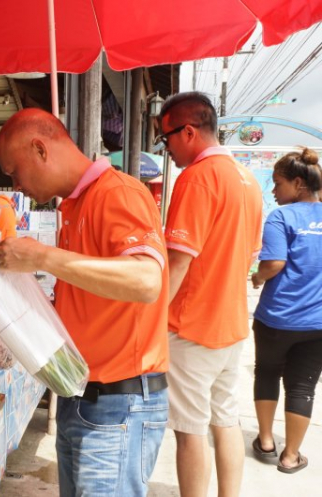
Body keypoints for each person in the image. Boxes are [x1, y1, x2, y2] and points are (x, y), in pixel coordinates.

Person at [0, 108, 170, 496]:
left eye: (14, 171)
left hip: (119, 404)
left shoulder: (119, 193)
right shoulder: (75, 207)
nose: (14, 184)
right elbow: (77, 301)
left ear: (40, 149)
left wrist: (43, 257)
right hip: (82, 396)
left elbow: (146, 280)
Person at [158, 92, 262, 497]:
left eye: (166, 139)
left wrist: (148, 316)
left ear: (188, 131)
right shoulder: (247, 179)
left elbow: (179, 261)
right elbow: (252, 256)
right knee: (226, 419)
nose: (166, 150)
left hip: (193, 327)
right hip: (232, 324)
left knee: (189, 432)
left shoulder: (198, 177)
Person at [250, 148, 322, 474]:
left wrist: (256, 276)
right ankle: (291, 456)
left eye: (277, 183)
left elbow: (274, 263)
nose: (273, 191)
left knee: (266, 372)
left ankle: (265, 441)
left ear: (298, 183)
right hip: (317, 323)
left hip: (276, 318)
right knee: (303, 385)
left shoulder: (280, 217)